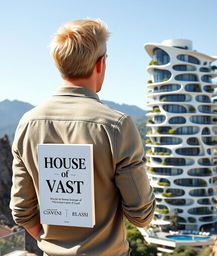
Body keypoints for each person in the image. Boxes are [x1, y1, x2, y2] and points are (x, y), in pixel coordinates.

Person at [10, 18, 155, 256]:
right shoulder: (117, 126)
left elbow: (22, 212)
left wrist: (58, 247)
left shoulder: (27, 124)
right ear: (101, 64)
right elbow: (142, 216)